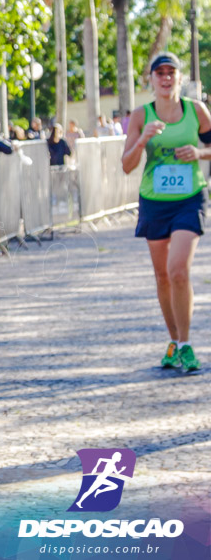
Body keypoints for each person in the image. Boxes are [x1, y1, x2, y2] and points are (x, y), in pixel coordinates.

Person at [123, 52, 208, 373]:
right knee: (162, 277)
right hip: (154, 201)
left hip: (189, 198)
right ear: (151, 79)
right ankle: (173, 343)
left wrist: (199, 152)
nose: (166, 77)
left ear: (180, 77)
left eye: (171, 72)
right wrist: (143, 138)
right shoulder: (141, 115)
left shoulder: (196, 111)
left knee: (178, 271)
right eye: (159, 72)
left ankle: (186, 345)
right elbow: (127, 165)